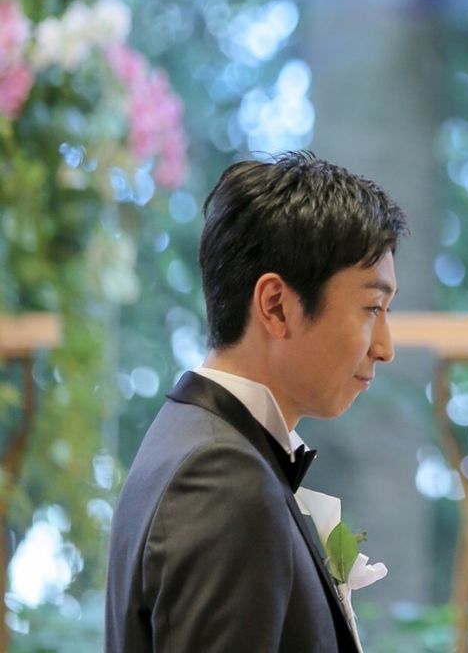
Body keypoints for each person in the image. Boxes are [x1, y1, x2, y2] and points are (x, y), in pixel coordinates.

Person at [105, 151, 408, 653]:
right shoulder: (221, 477)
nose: (386, 348)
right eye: (372, 308)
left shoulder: (197, 441)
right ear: (276, 305)